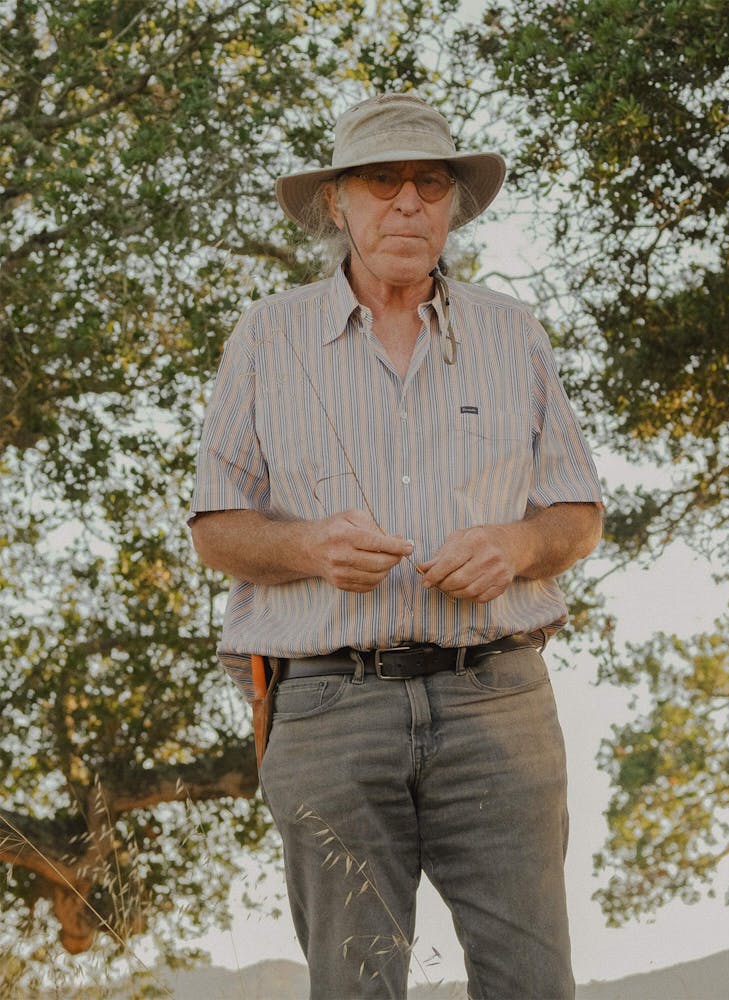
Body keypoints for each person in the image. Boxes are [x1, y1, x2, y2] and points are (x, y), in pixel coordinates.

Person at [189, 93, 603, 1000]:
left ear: (454, 206)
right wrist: (306, 547)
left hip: (499, 699)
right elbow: (215, 527)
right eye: (383, 182)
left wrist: (518, 543)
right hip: (327, 707)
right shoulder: (266, 336)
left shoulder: (513, 334)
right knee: (357, 985)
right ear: (338, 201)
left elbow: (576, 513)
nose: (408, 203)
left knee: (532, 981)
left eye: (430, 183)